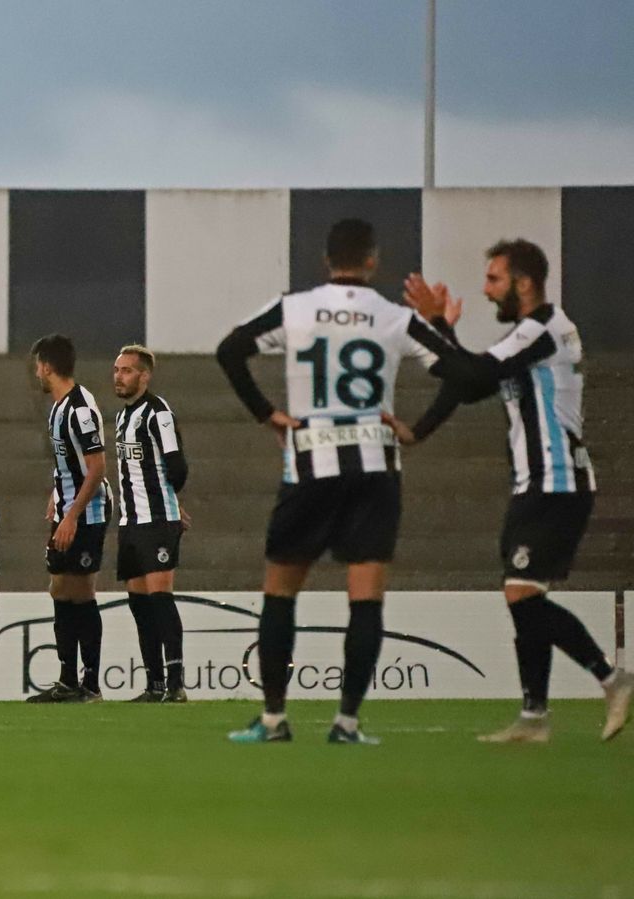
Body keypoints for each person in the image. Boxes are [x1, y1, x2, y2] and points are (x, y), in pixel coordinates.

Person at [215, 218, 472, 745]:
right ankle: (347, 723)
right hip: (375, 466)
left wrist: (269, 415)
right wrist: (417, 429)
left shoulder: (295, 308)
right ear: (373, 261)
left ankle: (272, 720)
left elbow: (230, 350)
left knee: (281, 593)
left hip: (310, 461)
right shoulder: (395, 316)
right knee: (366, 599)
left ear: (326, 260)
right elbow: (462, 373)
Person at [389, 238, 634, 743]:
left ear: (524, 283)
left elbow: (473, 374)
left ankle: (612, 679)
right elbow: (474, 382)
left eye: (494, 279)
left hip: (558, 481)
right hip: (536, 482)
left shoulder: (545, 329)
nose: (487, 292)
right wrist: (418, 428)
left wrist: (433, 328)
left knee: (522, 593)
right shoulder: (530, 335)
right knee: (524, 596)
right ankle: (534, 718)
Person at [27, 334, 110, 703]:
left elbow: (97, 467)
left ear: (46, 366)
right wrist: (56, 494)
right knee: (61, 589)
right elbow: (72, 464)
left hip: (86, 514)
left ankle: (88, 684)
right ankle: (67, 680)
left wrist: (72, 515)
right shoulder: (60, 408)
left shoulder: (79, 409)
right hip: (68, 508)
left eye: (37, 367)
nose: (36, 374)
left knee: (79, 592)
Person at [111, 346, 190, 703]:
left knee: (160, 600)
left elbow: (177, 467)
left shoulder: (158, 414)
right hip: (130, 521)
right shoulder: (122, 417)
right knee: (140, 605)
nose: (119, 376)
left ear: (144, 376)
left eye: (127, 371)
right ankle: (153, 684)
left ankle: (175, 684)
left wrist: (172, 504)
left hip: (157, 520)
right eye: (117, 369)